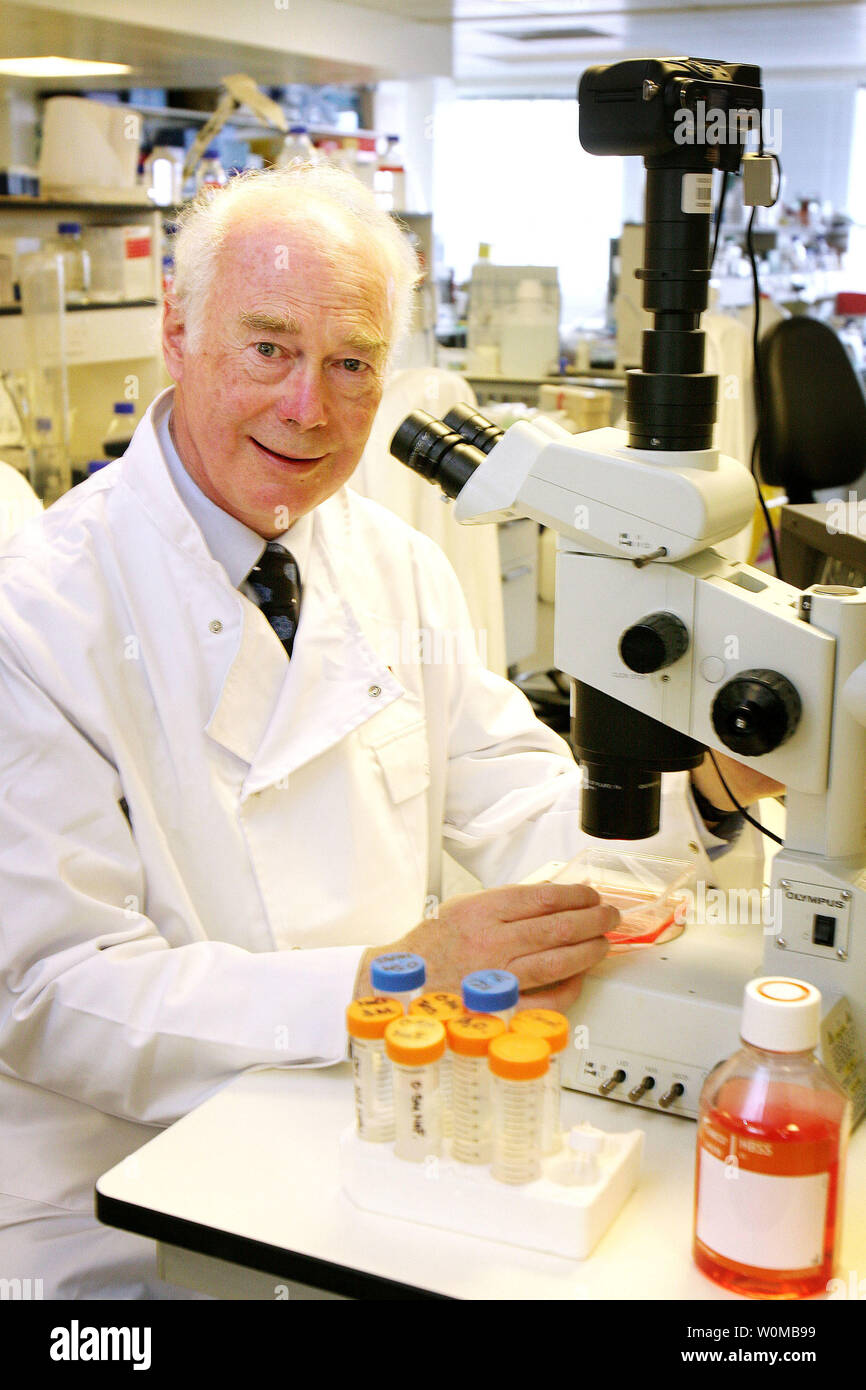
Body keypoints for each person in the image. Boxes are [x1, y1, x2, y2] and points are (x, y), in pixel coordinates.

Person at [0, 163, 776, 1298]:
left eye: (351, 363)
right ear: (177, 334)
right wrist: (391, 981)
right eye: (268, 347)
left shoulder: (390, 562)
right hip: (115, 1211)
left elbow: (526, 811)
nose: (308, 408)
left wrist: (709, 785)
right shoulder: (43, 610)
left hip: (375, 1135)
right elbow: (53, 994)